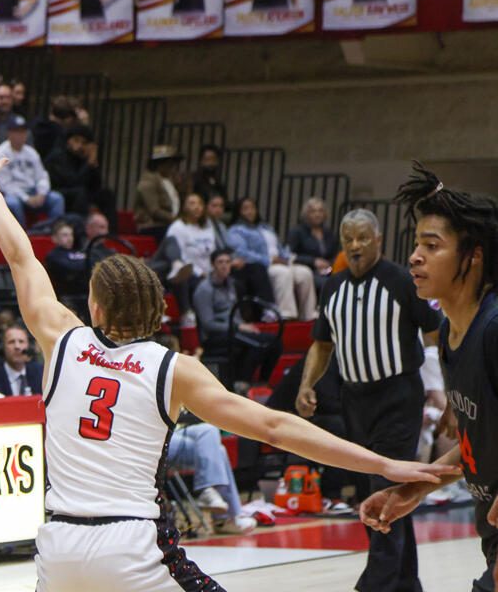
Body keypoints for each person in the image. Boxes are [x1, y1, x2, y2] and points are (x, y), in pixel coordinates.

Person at [0, 115, 453, 592]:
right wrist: (382, 464)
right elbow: (276, 428)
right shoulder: (173, 369)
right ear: (155, 308)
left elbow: (19, 254)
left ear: (95, 307)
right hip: (130, 546)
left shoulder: (63, 338)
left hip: (57, 545)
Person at [363, 164, 498, 592]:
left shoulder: (495, 328)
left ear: (473, 254)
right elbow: (479, 443)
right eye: (416, 244)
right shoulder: (451, 335)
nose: (414, 257)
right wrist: (417, 488)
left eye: (432, 246)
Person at [295, 208, 444, 592]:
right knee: (373, 494)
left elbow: (435, 336)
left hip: (398, 396)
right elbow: (322, 345)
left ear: (378, 238)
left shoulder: (402, 281)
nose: (356, 246)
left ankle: (373, 586)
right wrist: (306, 385)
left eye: (363, 238)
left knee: (384, 493)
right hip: (354, 399)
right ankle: (407, 584)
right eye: (349, 240)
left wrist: (443, 392)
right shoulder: (333, 285)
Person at [193, 248, 280, 391]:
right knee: (256, 343)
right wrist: (238, 327)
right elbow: (208, 324)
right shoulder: (204, 289)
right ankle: (242, 383)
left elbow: (237, 313)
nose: (224, 265)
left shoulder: (232, 284)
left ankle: (262, 383)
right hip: (214, 337)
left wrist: (243, 325)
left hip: (234, 330)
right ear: (213, 265)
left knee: (275, 341)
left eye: (227, 262)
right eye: (220, 262)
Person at [229, 196, 317, 320]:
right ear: (239, 211)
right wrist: (270, 260)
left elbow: (279, 247)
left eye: (252, 208)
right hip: (264, 265)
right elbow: (242, 253)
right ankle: (286, 314)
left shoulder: (266, 227)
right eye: (245, 208)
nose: (250, 211)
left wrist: (285, 257)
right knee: (283, 273)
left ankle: (308, 314)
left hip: (280, 261)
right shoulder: (237, 230)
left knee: (305, 273)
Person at [168, 419, 257, 534]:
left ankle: (210, 497)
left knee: (209, 429)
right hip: (152, 437)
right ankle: (225, 518)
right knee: (218, 450)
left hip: (176, 430)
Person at [0, 115, 65, 227]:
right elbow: (4, 184)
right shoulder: (0, 153)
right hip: (13, 195)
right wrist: (26, 198)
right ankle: (21, 236)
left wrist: (41, 193)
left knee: (57, 198)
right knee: (12, 203)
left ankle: (52, 232)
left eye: (23, 131)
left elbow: (42, 176)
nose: (20, 135)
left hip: (33, 192)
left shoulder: (31, 152)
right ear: (9, 133)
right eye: (17, 131)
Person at [165, 192, 219, 326]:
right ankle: (200, 322)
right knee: (199, 284)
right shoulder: (177, 227)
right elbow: (177, 255)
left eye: (199, 203)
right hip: (189, 273)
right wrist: (198, 272)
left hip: (210, 272)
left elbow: (212, 252)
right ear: (184, 207)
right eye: (192, 203)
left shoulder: (208, 227)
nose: (197, 207)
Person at [44, 125, 114, 218]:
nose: (80, 145)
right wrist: (88, 164)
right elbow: (72, 182)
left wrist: (93, 163)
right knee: (80, 193)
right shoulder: (57, 156)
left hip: (79, 191)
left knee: (106, 194)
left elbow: (96, 185)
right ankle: (80, 226)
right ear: (68, 141)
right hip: (59, 191)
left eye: (84, 143)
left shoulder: (81, 157)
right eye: (76, 140)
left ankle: (109, 230)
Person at [287, 196, 340, 290]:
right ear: (306, 214)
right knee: (326, 284)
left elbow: (336, 253)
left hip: (328, 270)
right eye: (313, 211)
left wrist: (329, 264)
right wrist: (313, 261)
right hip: (307, 270)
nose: (317, 214)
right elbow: (290, 255)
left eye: (320, 211)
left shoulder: (328, 233)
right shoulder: (298, 232)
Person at [134, 144, 184, 239]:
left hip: (169, 224)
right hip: (152, 226)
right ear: (159, 164)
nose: (173, 167)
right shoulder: (148, 181)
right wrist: (177, 221)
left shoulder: (169, 181)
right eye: (169, 163)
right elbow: (155, 211)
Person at [0, 325, 43, 396]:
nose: (17, 346)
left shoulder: (42, 374)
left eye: (21, 342)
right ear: (2, 348)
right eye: (11, 342)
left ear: (28, 346)